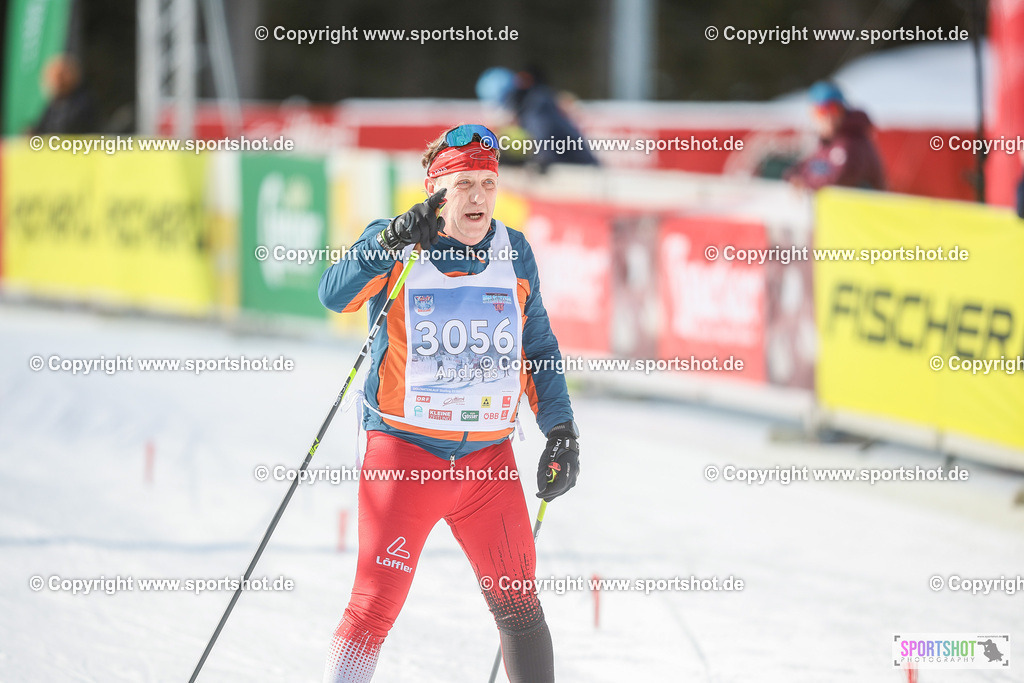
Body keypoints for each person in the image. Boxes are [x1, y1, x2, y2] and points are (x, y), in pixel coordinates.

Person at [317, 124, 580, 682]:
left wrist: (561, 432)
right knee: (373, 607)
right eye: (464, 184)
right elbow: (334, 295)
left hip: (488, 464)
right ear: (436, 189)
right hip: (405, 456)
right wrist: (388, 241)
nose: (479, 196)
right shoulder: (397, 242)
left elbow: (537, 345)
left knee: (520, 604)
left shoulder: (514, 251)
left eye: (489, 182)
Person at [785, 81, 885, 191]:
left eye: (833, 108)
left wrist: (804, 182)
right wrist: (794, 176)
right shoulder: (826, 143)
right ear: (813, 115)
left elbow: (838, 178)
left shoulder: (852, 140)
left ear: (844, 111)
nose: (829, 117)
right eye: (821, 111)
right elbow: (805, 166)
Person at [29, 55, 97, 135]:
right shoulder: (53, 104)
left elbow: (68, 127)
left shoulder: (83, 101)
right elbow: (40, 127)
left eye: (61, 76)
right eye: (55, 77)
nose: (58, 81)